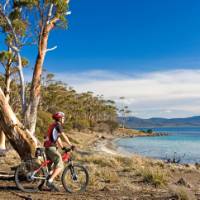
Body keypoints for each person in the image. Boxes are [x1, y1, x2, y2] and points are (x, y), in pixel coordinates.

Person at [44, 111, 74, 191]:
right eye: (63, 117)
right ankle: (50, 181)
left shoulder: (53, 125)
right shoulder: (58, 125)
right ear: (59, 118)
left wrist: (63, 147)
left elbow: (57, 138)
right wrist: (70, 144)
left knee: (50, 168)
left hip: (47, 147)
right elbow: (63, 135)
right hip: (51, 148)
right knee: (60, 165)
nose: (64, 119)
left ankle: (45, 183)